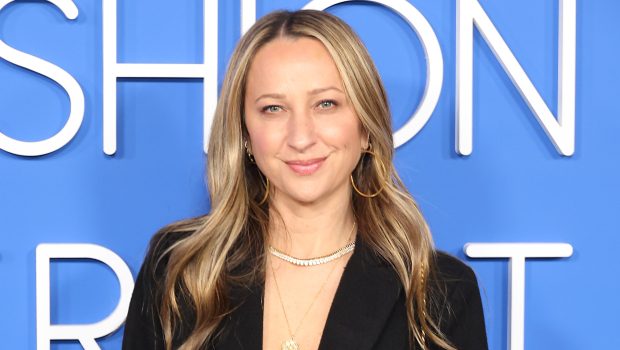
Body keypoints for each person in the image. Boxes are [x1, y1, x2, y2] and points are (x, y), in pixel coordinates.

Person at [122, 9, 487, 350]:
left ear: (366, 127)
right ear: (245, 135)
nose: (300, 137)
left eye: (325, 104)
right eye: (273, 108)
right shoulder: (178, 268)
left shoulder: (439, 293)